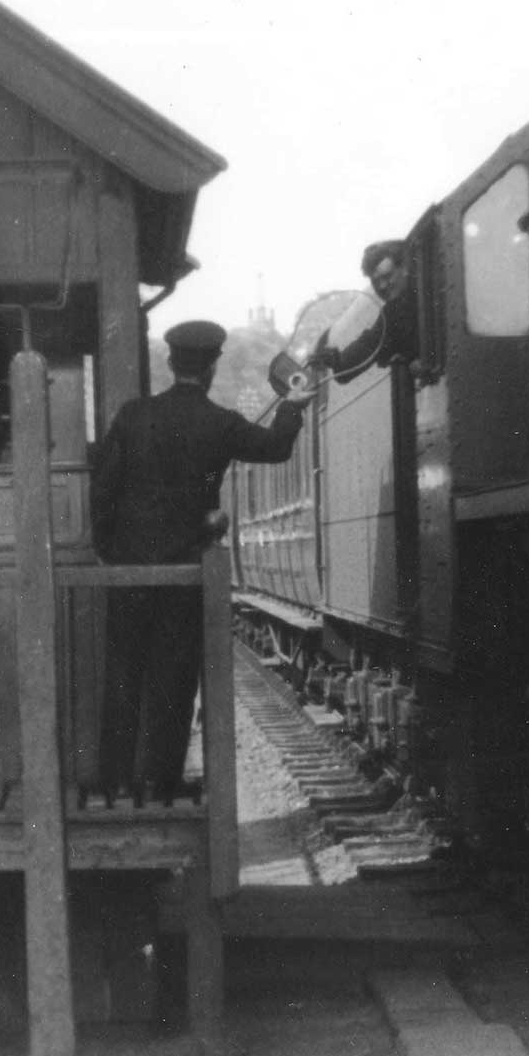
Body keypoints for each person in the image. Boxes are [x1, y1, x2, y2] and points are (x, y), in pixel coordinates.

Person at [91, 318, 313, 803]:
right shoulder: (220, 423)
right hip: (185, 573)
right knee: (173, 679)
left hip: (129, 573)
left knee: (124, 676)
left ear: (171, 363)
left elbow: (103, 489)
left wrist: (111, 551)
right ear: (212, 368)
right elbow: (275, 447)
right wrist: (294, 405)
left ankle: (116, 782)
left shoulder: (132, 416)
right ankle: (160, 781)